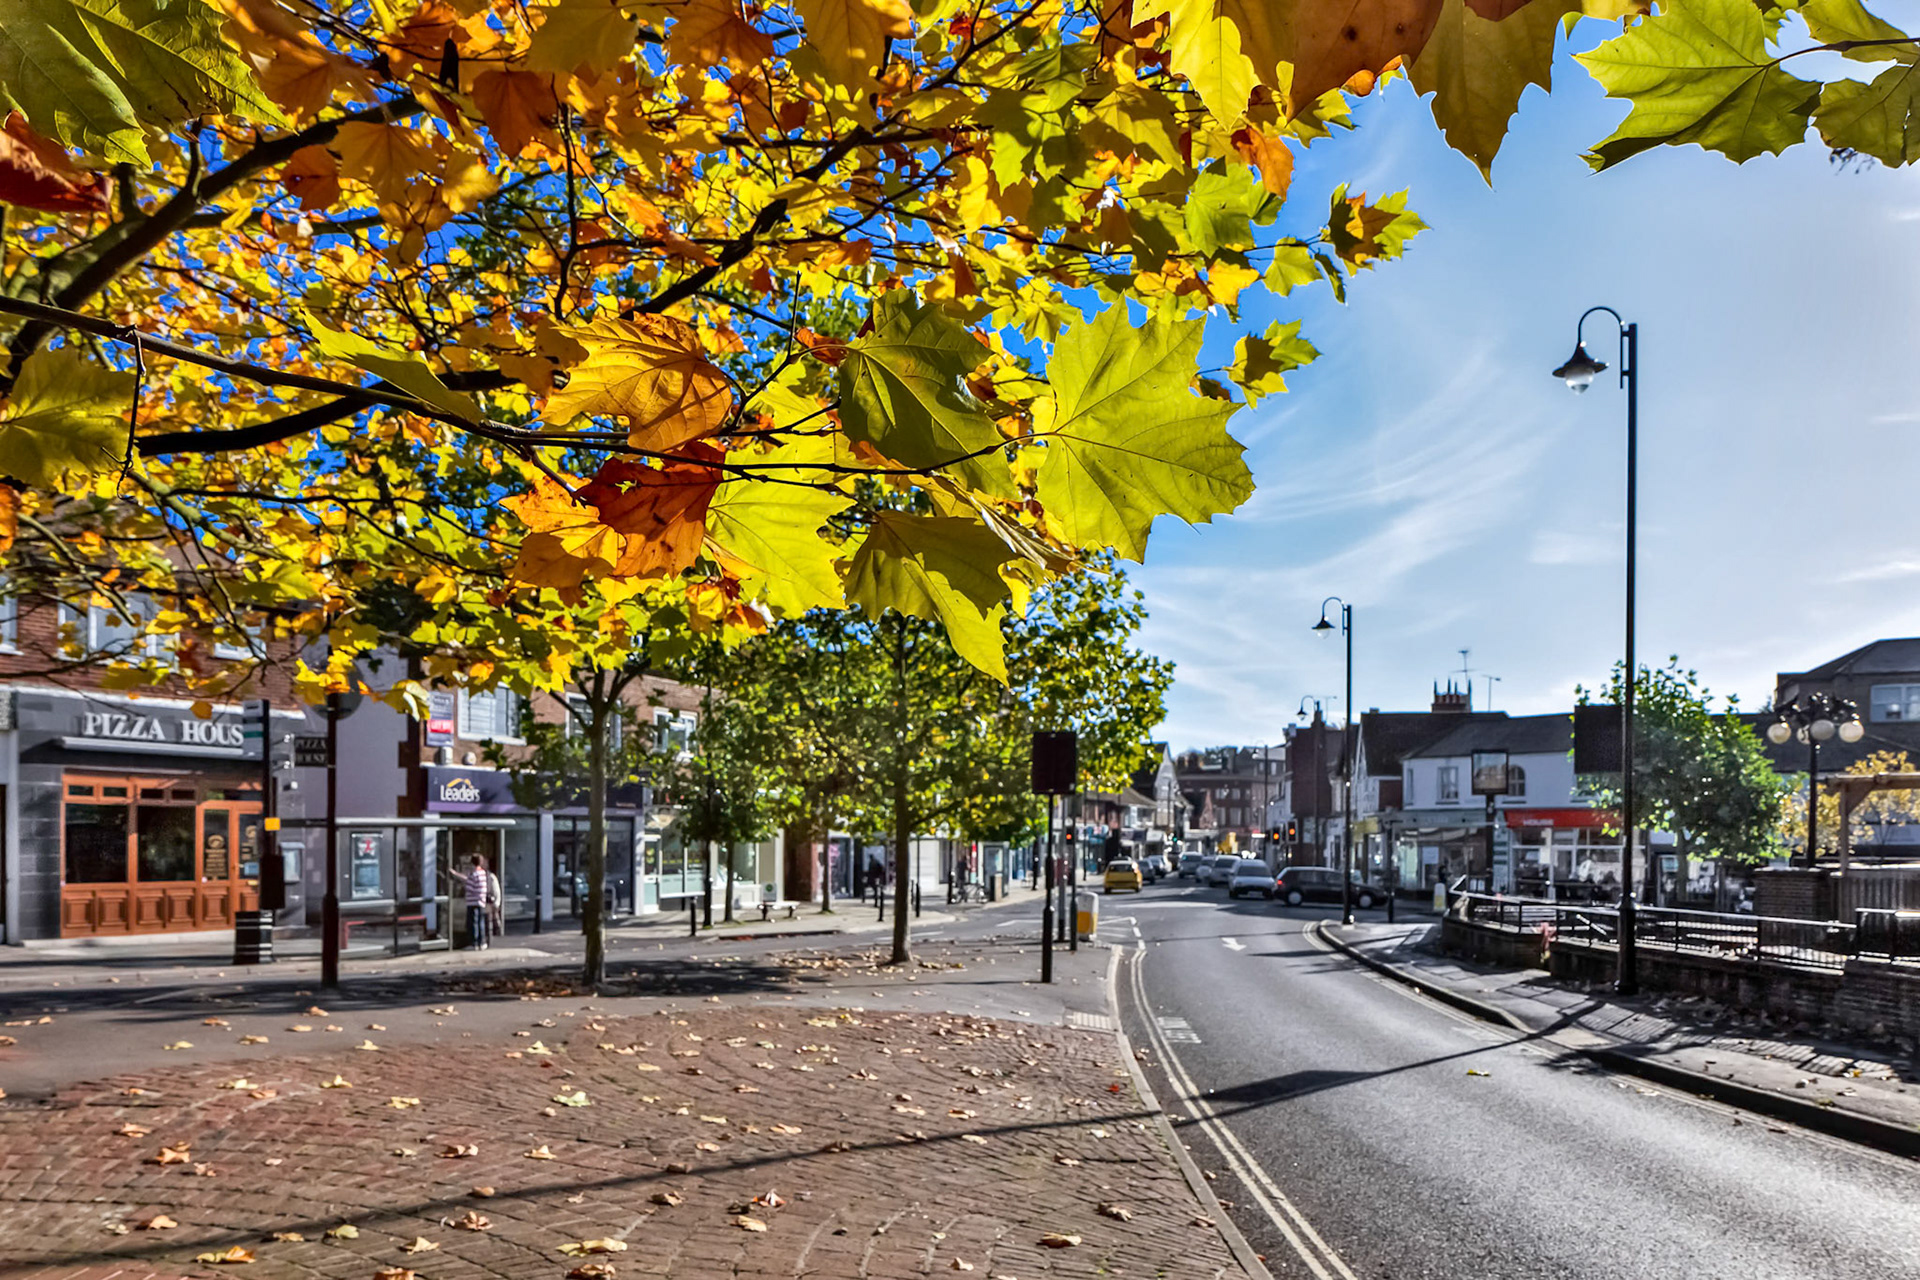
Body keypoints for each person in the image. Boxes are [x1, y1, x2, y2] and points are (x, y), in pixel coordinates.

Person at [463, 854, 490, 950]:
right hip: (481, 901)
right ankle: (481, 942)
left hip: (472, 902)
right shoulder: (483, 873)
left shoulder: (473, 874)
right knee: (480, 922)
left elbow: (469, 888)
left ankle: (474, 943)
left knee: (473, 923)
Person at [487, 862, 505, 941]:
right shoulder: (490, 876)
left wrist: (496, 902)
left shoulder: (491, 877)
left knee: (494, 916)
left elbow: (496, 890)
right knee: (493, 917)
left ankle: (498, 930)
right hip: (491, 900)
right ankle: (496, 930)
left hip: (492, 901)